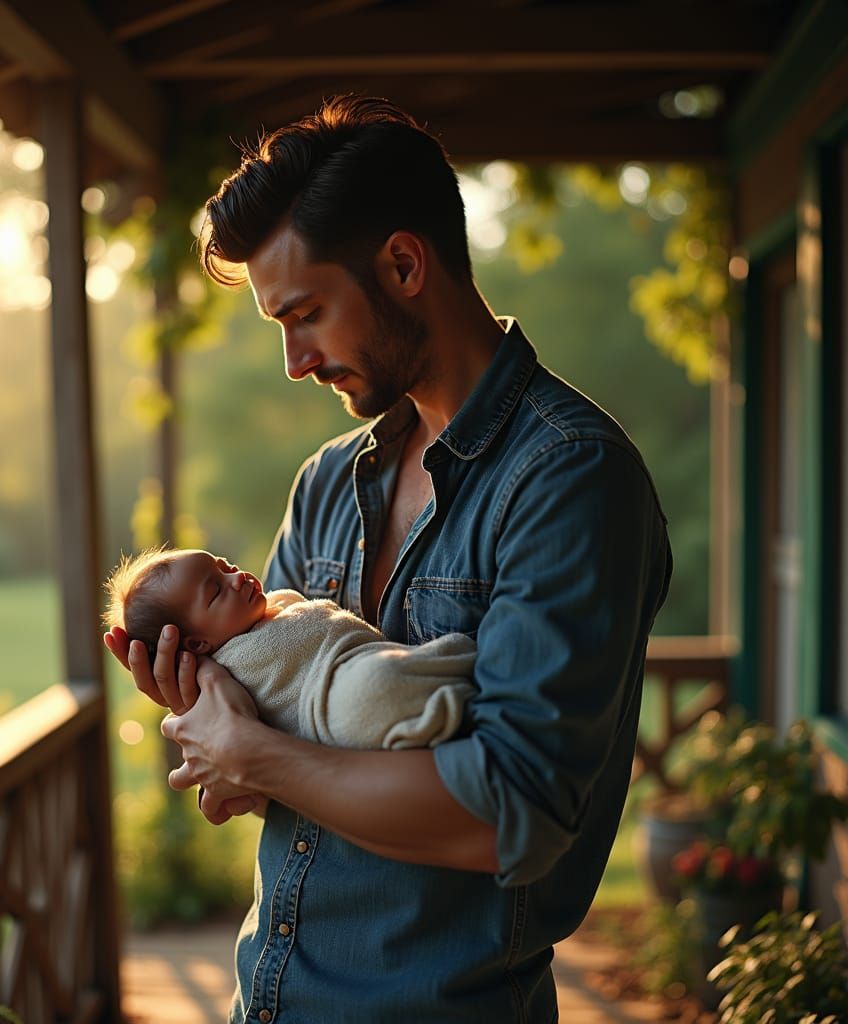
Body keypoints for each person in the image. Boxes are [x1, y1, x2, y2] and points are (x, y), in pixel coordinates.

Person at [105, 95, 672, 1023]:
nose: (293, 360)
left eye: (307, 313)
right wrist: (221, 715)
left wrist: (259, 753)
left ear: (404, 265)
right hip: (270, 999)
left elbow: (511, 814)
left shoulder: (571, 481)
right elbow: (253, 784)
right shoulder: (328, 482)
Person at [103, 546, 476, 748]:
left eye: (225, 566)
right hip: (330, 705)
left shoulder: (270, 607)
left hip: (357, 657)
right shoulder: (229, 672)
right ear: (199, 643)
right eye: (216, 591)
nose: (237, 578)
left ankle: (457, 670)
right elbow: (240, 733)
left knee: (385, 672)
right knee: (374, 686)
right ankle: (450, 698)